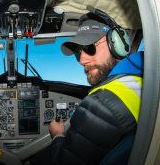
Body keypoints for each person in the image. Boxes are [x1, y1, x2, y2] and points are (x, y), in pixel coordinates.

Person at [48, 9, 143, 164]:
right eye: (78, 52)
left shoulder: (102, 104)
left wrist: (58, 135)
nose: (81, 60)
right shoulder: (142, 80)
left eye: (89, 47)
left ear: (118, 43)